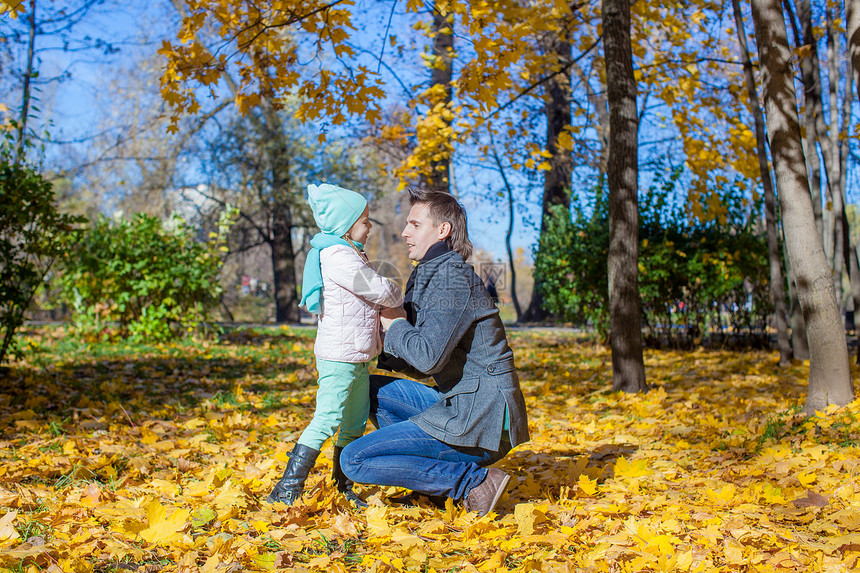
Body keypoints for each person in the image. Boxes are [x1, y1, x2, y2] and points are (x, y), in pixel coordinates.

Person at [340, 189, 529, 517]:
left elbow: (427, 357)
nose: (404, 232)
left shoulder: (452, 279)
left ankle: (472, 482)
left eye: (414, 224)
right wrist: (376, 337)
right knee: (368, 390)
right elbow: (426, 363)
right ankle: (428, 488)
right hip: (459, 405)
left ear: (443, 230)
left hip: (481, 422)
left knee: (354, 460)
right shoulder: (432, 273)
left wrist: (396, 324)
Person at [267, 183, 403, 507]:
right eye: (364, 220)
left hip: (357, 356)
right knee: (327, 418)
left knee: (353, 423)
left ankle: (341, 488)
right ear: (346, 223)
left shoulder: (351, 253)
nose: (369, 226)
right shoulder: (337, 256)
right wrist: (397, 291)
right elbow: (380, 291)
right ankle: (287, 488)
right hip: (339, 357)